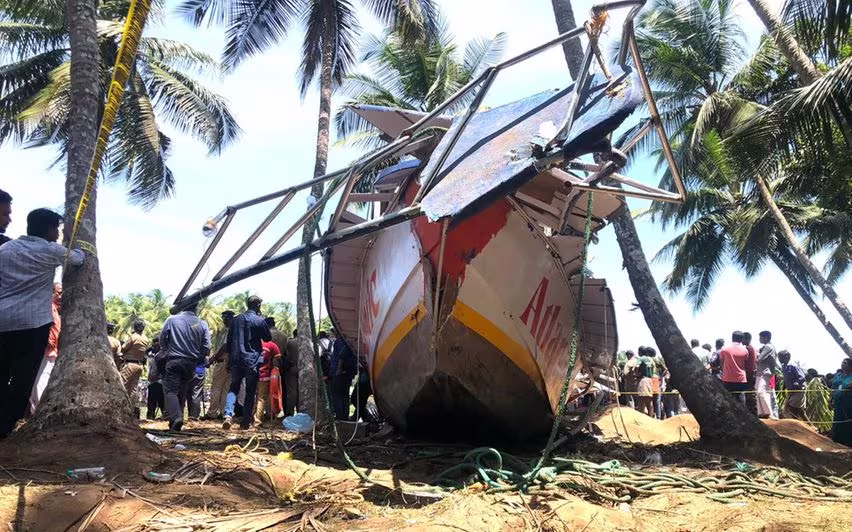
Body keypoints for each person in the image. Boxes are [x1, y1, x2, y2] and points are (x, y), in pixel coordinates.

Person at [0, 209, 85, 437]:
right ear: (48, 229)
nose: (57, 234)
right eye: (56, 229)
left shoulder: (5, 250)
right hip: (33, 324)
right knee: (22, 380)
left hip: (3, 321)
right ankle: (5, 428)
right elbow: (78, 258)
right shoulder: (49, 250)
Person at [159, 303, 211, 432]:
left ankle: (176, 417)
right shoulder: (202, 323)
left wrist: (167, 349)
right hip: (191, 363)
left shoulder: (171, 320)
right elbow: (207, 346)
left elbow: (162, 339)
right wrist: (198, 356)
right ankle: (176, 420)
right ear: (196, 308)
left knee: (171, 391)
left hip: (174, 359)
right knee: (182, 391)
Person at [223, 295, 271, 430]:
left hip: (236, 359)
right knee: (250, 391)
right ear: (258, 305)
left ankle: (228, 415)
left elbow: (229, 342)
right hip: (252, 360)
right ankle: (245, 422)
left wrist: (228, 361)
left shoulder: (236, 320)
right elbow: (267, 338)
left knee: (233, 388)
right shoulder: (259, 321)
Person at [29, 283, 61, 414]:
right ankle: (39, 412)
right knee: (39, 383)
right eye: (58, 292)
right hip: (46, 351)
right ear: (51, 293)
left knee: (42, 381)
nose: (60, 296)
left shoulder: (55, 309)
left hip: (51, 352)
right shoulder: (48, 307)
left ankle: (37, 411)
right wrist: (49, 343)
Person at [204, 310, 235, 420]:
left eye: (226, 318)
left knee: (216, 388)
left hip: (223, 361)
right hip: (230, 363)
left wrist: (213, 358)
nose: (224, 320)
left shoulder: (230, 331)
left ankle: (212, 413)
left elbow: (225, 346)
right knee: (225, 389)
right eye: (223, 318)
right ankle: (222, 412)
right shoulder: (233, 331)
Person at [121, 319, 149, 418]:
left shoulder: (133, 337)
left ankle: (122, 407)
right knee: (133, 388)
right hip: (139, 365)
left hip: (130, 364)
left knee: (123, 385)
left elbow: (123, 348)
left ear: (135, 327)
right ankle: (131, 408)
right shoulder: (145, 339)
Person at [719, 331, 753, 405]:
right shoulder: (745, 350)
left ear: (732, 337)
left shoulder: (724, 349)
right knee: (741, 396)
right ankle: (742, 413)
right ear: (741, 339)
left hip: (727, 378)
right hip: (741, 378)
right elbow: (746, 363)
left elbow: (722, 362)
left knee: (727, 398)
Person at [254, 339, 282, 425]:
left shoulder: (253, 343)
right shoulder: (272, 345)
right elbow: (278, 359)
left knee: (252, 396)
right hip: (265, 375)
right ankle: (257, 420)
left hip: (252, 374)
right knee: (261, 398)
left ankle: (249, 418)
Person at [330, 335, 358, 420]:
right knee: (345, 395)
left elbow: (341, 356)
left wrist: (338, 370)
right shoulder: (351, 341)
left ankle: (340, 416)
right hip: (348, 373)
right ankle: (345, 415)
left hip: (340, 373)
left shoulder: (341, 341)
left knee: (337, 395)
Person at [756, 330, 779, 419]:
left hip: (765, 372)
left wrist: (758, 354)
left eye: (761, 337)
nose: (759, 339)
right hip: (761, 372)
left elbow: (760, 358)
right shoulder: (767, 347)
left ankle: (768, 412)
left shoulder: (768, 347)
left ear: (765, 337)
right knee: (758, 392)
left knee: (761, 391)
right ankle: (761, 412)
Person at [778, 350, 806, 420]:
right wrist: (783, 389)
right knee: (799, 411)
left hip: (798, 390)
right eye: (779, 357)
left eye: (781, 357)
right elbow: (785, 379)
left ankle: (797, 424)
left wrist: (797, 383)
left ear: (787, 357)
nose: (779, 359)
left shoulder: (793, 366)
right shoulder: (784, 367)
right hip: (791, 391)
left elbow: (802, 377)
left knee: (792, 408)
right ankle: (809, 425)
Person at [831, 357, 852, 448]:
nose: (843, 364)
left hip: (848, 401)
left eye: (845, 363)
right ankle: (836, 440)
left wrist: (847, 388)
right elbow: (833, 387)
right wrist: (830, 399)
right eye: (842, 362)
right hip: (837, 401)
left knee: (847, 420)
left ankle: (848, 442)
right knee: (837, 419)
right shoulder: (838, 375)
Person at [146, 337, 165, 420]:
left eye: (155, 346)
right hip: (162, 383)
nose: (153, 348)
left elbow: (153, 372)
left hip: (156, 382)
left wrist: (151, 378)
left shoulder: (158, 356)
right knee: (162, 402)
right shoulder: (161, 354)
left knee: (152, 402)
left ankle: (151, 416)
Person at [283, 328, 300, 416]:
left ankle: (290, 412)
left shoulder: (290, 343)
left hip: (292, 369)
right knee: (301, 391)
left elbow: (286, 355)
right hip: (304, 370)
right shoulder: (308, 343)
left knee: (292, 392)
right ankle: (300, 411)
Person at [742, 332, 759, 415]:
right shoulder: (752, 348)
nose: (741, 340)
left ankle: (753, 413)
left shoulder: (748, 349)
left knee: (749, 395)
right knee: (750, 394)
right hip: (751, 373)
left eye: (743, 338)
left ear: (747, 339)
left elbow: (749, 364)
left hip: (749, 374)